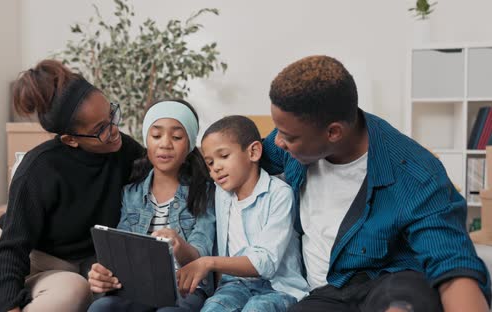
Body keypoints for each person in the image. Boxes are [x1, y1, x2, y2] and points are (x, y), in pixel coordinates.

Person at [262, 55, 491, 312]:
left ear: (333, 132)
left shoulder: (416, 173)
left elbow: (454, 267)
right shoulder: (294, 139)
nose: (278, 142)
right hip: (328, 293)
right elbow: (245, 156)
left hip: (391, 282)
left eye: (288, 137)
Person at [0, 59, 145, 312]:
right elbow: (12, 248)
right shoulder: (39, 169)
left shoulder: (125, 151)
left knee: (73, 291)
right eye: (101, 128)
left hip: (59, 271)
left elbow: (176, 165)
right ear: (70, 140)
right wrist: (10, 305)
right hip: (7, 252)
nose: (114, 130)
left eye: (112, 114)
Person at [86, 99, 216, 312]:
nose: (165, 143)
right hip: (140, 287)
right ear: (146, 140)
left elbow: (201, 252)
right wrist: (104, 273)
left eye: (176, 137)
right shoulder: (131, 193)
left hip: (186, 287)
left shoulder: (205, 192)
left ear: (190, 144)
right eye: (156, 135)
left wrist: (179, 246)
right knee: (102, 308)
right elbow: (122, 247)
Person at [176, 115, 309, 312]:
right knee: (212, 307)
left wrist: (209, 263)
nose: (216, 168)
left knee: (257, 308)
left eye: (224, 156)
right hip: (234, 286)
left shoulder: (280, 193)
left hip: (278, 288)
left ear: (253, 152)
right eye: (210, 163)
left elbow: (265, 263)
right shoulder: (220, 193)